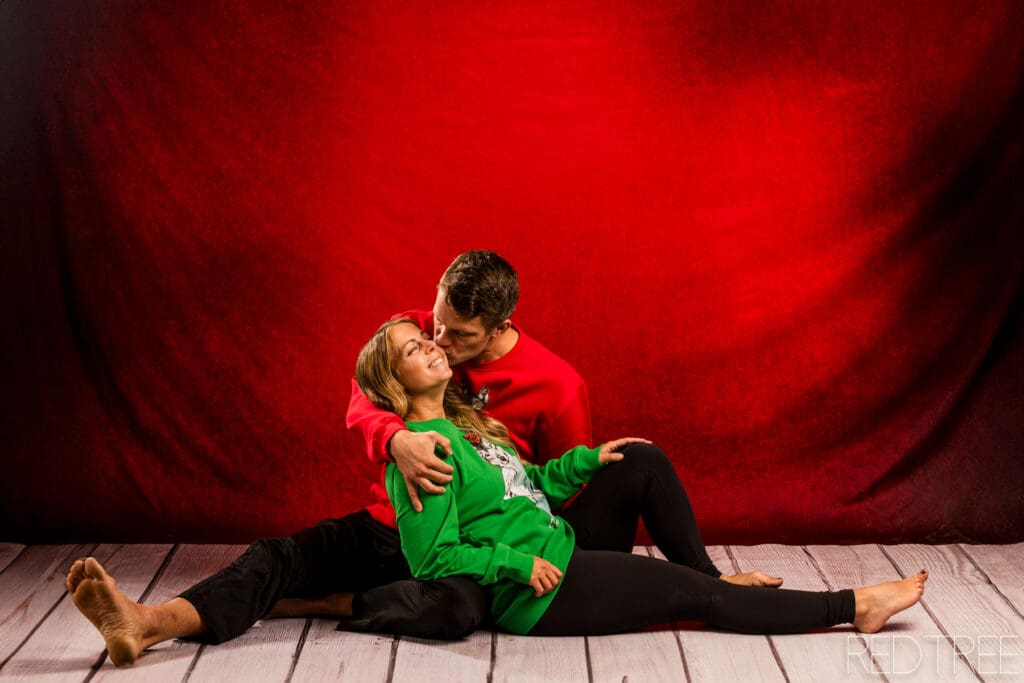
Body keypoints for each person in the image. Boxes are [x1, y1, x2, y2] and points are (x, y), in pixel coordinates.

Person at [72, 251, 780, 665]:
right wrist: (396, 438)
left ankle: (326, 603)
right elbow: (363, 395)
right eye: (433, 323)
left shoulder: (556, 384)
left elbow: (554, 496)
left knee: (457, 607)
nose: (436, 338)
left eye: (456, 334)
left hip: (484, 542)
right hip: (400, 520)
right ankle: (151, 621)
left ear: (499, 327)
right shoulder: (415, 338)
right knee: (282, 554)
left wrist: (517, 556)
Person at [355, 317, 929, 636]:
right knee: (693, 598)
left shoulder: (467, 423)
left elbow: (526, 488)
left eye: (424, 338)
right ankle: (852, 606)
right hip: (540, 590)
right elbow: (433, 560)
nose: (430, 344)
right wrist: (516, 564)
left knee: (641, 461)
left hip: (561, 542)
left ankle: (712, 573)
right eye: (412, 350)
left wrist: (587, 461)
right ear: (394, 383)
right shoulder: (420, 454)